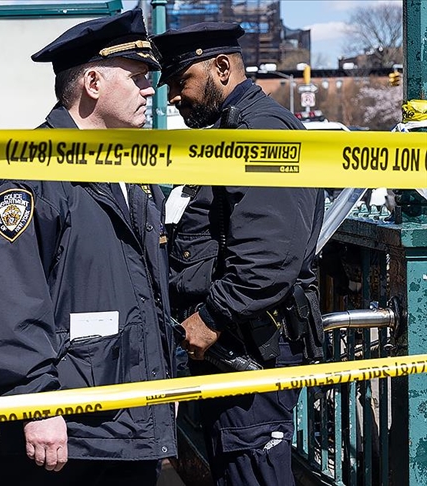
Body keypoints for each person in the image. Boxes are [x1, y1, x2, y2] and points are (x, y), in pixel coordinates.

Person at [0, 8, 176, 486]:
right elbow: (4, 297)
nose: (149, 89)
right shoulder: (32, 171)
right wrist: (35, 402)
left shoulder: (130, 171)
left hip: (123, 425)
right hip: (62, 437)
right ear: (92, 83)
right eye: (137, 76)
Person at [152, 23, 325, 486]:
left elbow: (269, 253)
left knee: (253, 469)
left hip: (250, 348)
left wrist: (211, 317)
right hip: (235, 346)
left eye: (179, 81)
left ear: (221, 68)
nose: (172, 96)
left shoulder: (259, 129)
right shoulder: (232, 129)